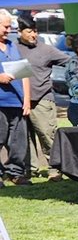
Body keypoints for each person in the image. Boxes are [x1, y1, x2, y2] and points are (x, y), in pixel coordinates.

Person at [16, 15, 70, 181]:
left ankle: (55, 170)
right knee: (24, 138)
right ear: (19, 32)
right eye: (30, 31)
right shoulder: (13, 49)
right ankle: (29, 169)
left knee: (48, 136)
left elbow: (70, 61)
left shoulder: (46, 49)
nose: (34, 35)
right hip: (19, 100)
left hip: (42, 100)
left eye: (35, 31)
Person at [0, 11, 29, 187]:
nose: (8, 30)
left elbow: (24, 73)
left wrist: (26, 99)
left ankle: (16, 172)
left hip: (16, 101)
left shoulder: (12, 46)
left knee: (19, 141)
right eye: (5, 26)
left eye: (10, 26)